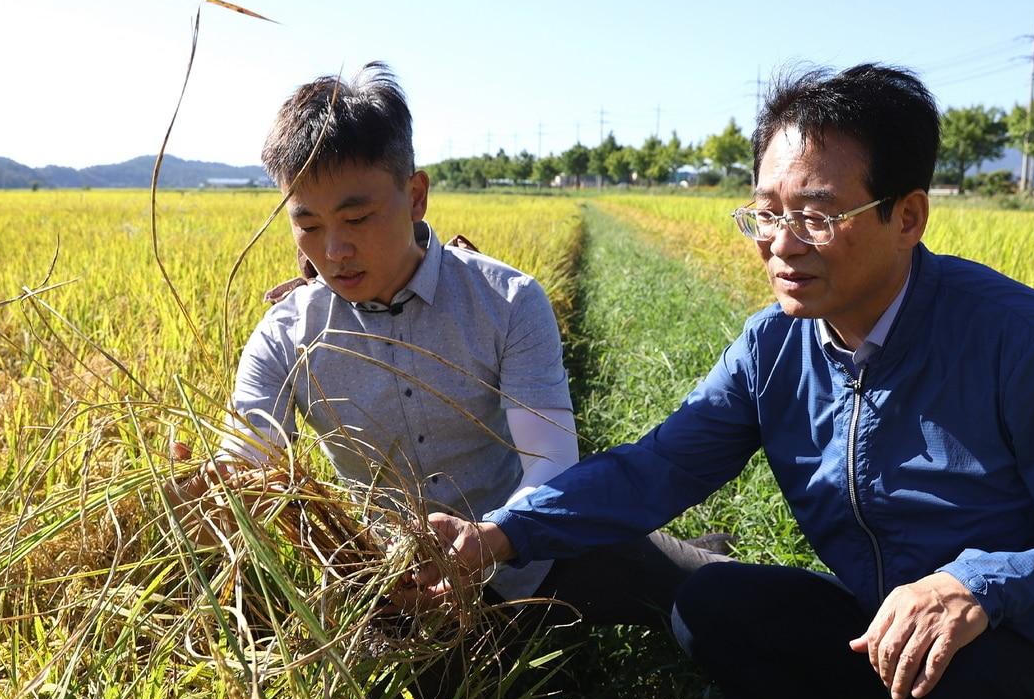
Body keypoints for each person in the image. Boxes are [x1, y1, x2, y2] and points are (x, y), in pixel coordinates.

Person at [420, 64, 1034, 699]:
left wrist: (981, 586)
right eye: (766, 212)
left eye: (818, 216)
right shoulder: (772, 349)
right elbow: (657, 466)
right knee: (713, 605)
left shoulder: (1026, 345)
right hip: (887, 637)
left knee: (954, 659)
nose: (781, 244)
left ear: (909, 216)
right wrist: (502, 533)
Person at [179, 61, 726, 637]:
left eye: (357, 217)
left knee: (709, 594)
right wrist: (211, 484)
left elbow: (550, 462)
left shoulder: (506, 301)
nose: (334, 250)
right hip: (397, 586)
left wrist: (493, 539)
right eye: (307, 225)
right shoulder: (285, 334)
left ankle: (693, 552)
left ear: (415, 196)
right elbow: (252, 459)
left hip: (536, 551)